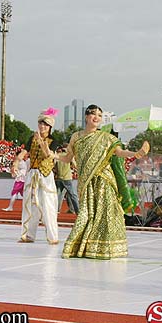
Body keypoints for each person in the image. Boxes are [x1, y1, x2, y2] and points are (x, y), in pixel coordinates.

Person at [58, 104, 150, 259]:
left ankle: (106, 247)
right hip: (87, 183)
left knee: (107, 214)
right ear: (86, 117)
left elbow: (119, 152)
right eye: (93, 114)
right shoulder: (76, 136)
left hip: (104, 180)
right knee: (87, 214)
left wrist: (137, 153)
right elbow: (67, 158)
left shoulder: (106, 138)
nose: (97, 118)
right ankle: (83, 246)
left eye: (100, 115)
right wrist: (51, 155)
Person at [13, 107, 60, 244]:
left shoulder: (53, 141)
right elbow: (24, 152)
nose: (42, 126)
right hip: (32, 174)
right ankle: (28, 235)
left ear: (50, 127)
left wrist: (40, 141)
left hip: (45, 176)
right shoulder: (31, 139)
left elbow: (47, 154)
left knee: (48, 205)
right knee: (30, 205)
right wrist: (16, 162)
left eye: (45, 124)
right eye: (40, 123)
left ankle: (53, 236)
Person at [54, 143, 79, 214]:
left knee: (59, 194)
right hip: (67, 177)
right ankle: (77, 210)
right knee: (73, 194)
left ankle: (57, 209)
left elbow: (54, 165)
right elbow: (75, 165)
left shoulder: (58, 155)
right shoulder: (69, 155)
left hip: (59, 177)